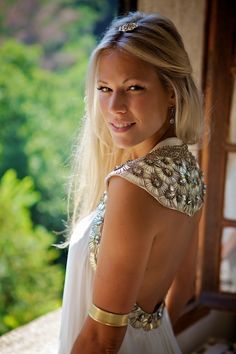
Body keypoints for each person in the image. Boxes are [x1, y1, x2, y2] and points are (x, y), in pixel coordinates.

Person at [58, 11, 206, 354]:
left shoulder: (133, 185)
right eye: (104, 89)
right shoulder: (188, 169)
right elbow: (183, 288)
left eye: (133, 87)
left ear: (172, 92)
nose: (114, 107)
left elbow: (102, 339)